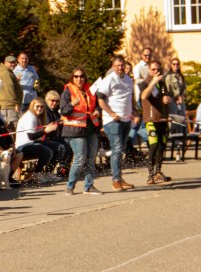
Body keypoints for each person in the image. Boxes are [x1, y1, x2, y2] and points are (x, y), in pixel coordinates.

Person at [92, 54, 140, 190]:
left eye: (122, 65)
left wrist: (135, 110)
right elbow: (100, 99)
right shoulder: (109, 79)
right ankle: (115, 180)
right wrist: (111, 113)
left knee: (121, 149)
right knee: (117, 149)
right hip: (112, 121)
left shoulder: (129, 80)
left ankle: (119, 177)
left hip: (126, 119)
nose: (120, 68)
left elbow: (131, 97)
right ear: (113, 67)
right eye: (117, 66)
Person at [60, 67, 101, 195]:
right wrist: (72, 104)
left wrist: (98, 110)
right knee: (80, 158)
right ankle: (70, 186)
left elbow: (97, 104)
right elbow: (63, 110)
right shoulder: (68, 91)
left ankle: (89, 186)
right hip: (75, 130)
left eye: (81, 76)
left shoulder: (90, 90)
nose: (79, 79)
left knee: (91, 158)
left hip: (91, 128)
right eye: (76, 76)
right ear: (72, 78)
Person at [140, 59, 172, 185]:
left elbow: (164, 96)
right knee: (153, 146)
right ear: (149, 70)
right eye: (153, 69)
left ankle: (158, 171)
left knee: (161, 146)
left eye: (158, 69)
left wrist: (167, 99)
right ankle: (150, 174)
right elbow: (143, 96)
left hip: (163, 119)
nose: (156, 71)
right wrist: (153, 82)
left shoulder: (162, 83)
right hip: (151, 120)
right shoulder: (145, 82)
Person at [16, 97, 58, 181]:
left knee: (59, 148)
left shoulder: (37, 117)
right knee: (47, 151)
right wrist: (46, 131)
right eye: (37, 106)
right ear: (32, 106)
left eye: (42, 107)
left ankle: (48, 172)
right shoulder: (29, 117)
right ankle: (36, 173)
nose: (40, 108)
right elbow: (31, 136)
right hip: (24, 145)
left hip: (34, 143)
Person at [0, 55, 23, 126]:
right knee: (12, 128)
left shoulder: (8, 72)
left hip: (8, 106)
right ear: (5, 62)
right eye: (10, 62)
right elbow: (9, 90)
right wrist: (16, 103)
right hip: (9, 107)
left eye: (14, 62)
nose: (13, 64)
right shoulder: (6, 73)